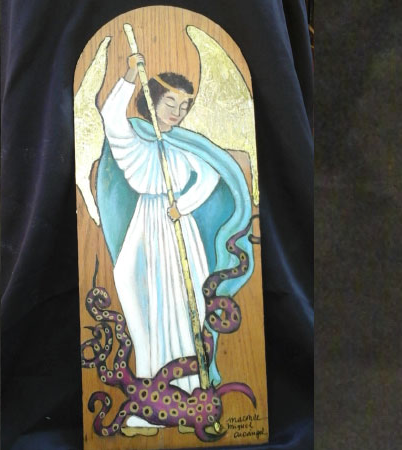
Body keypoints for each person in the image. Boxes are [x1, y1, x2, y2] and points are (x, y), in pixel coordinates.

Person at [96, 52, 255, 428]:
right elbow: (110, 118)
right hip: (146, 228)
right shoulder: (137, 142)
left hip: (179, 234)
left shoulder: (184, 148)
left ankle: (193, 396)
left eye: (184, 107)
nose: (177, 113)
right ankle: (148, 401)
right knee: (136, 294)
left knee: (184, 310)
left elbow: (210, 178)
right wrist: (128, 75)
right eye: (170, 103)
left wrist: (182, 207)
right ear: (152, 100)